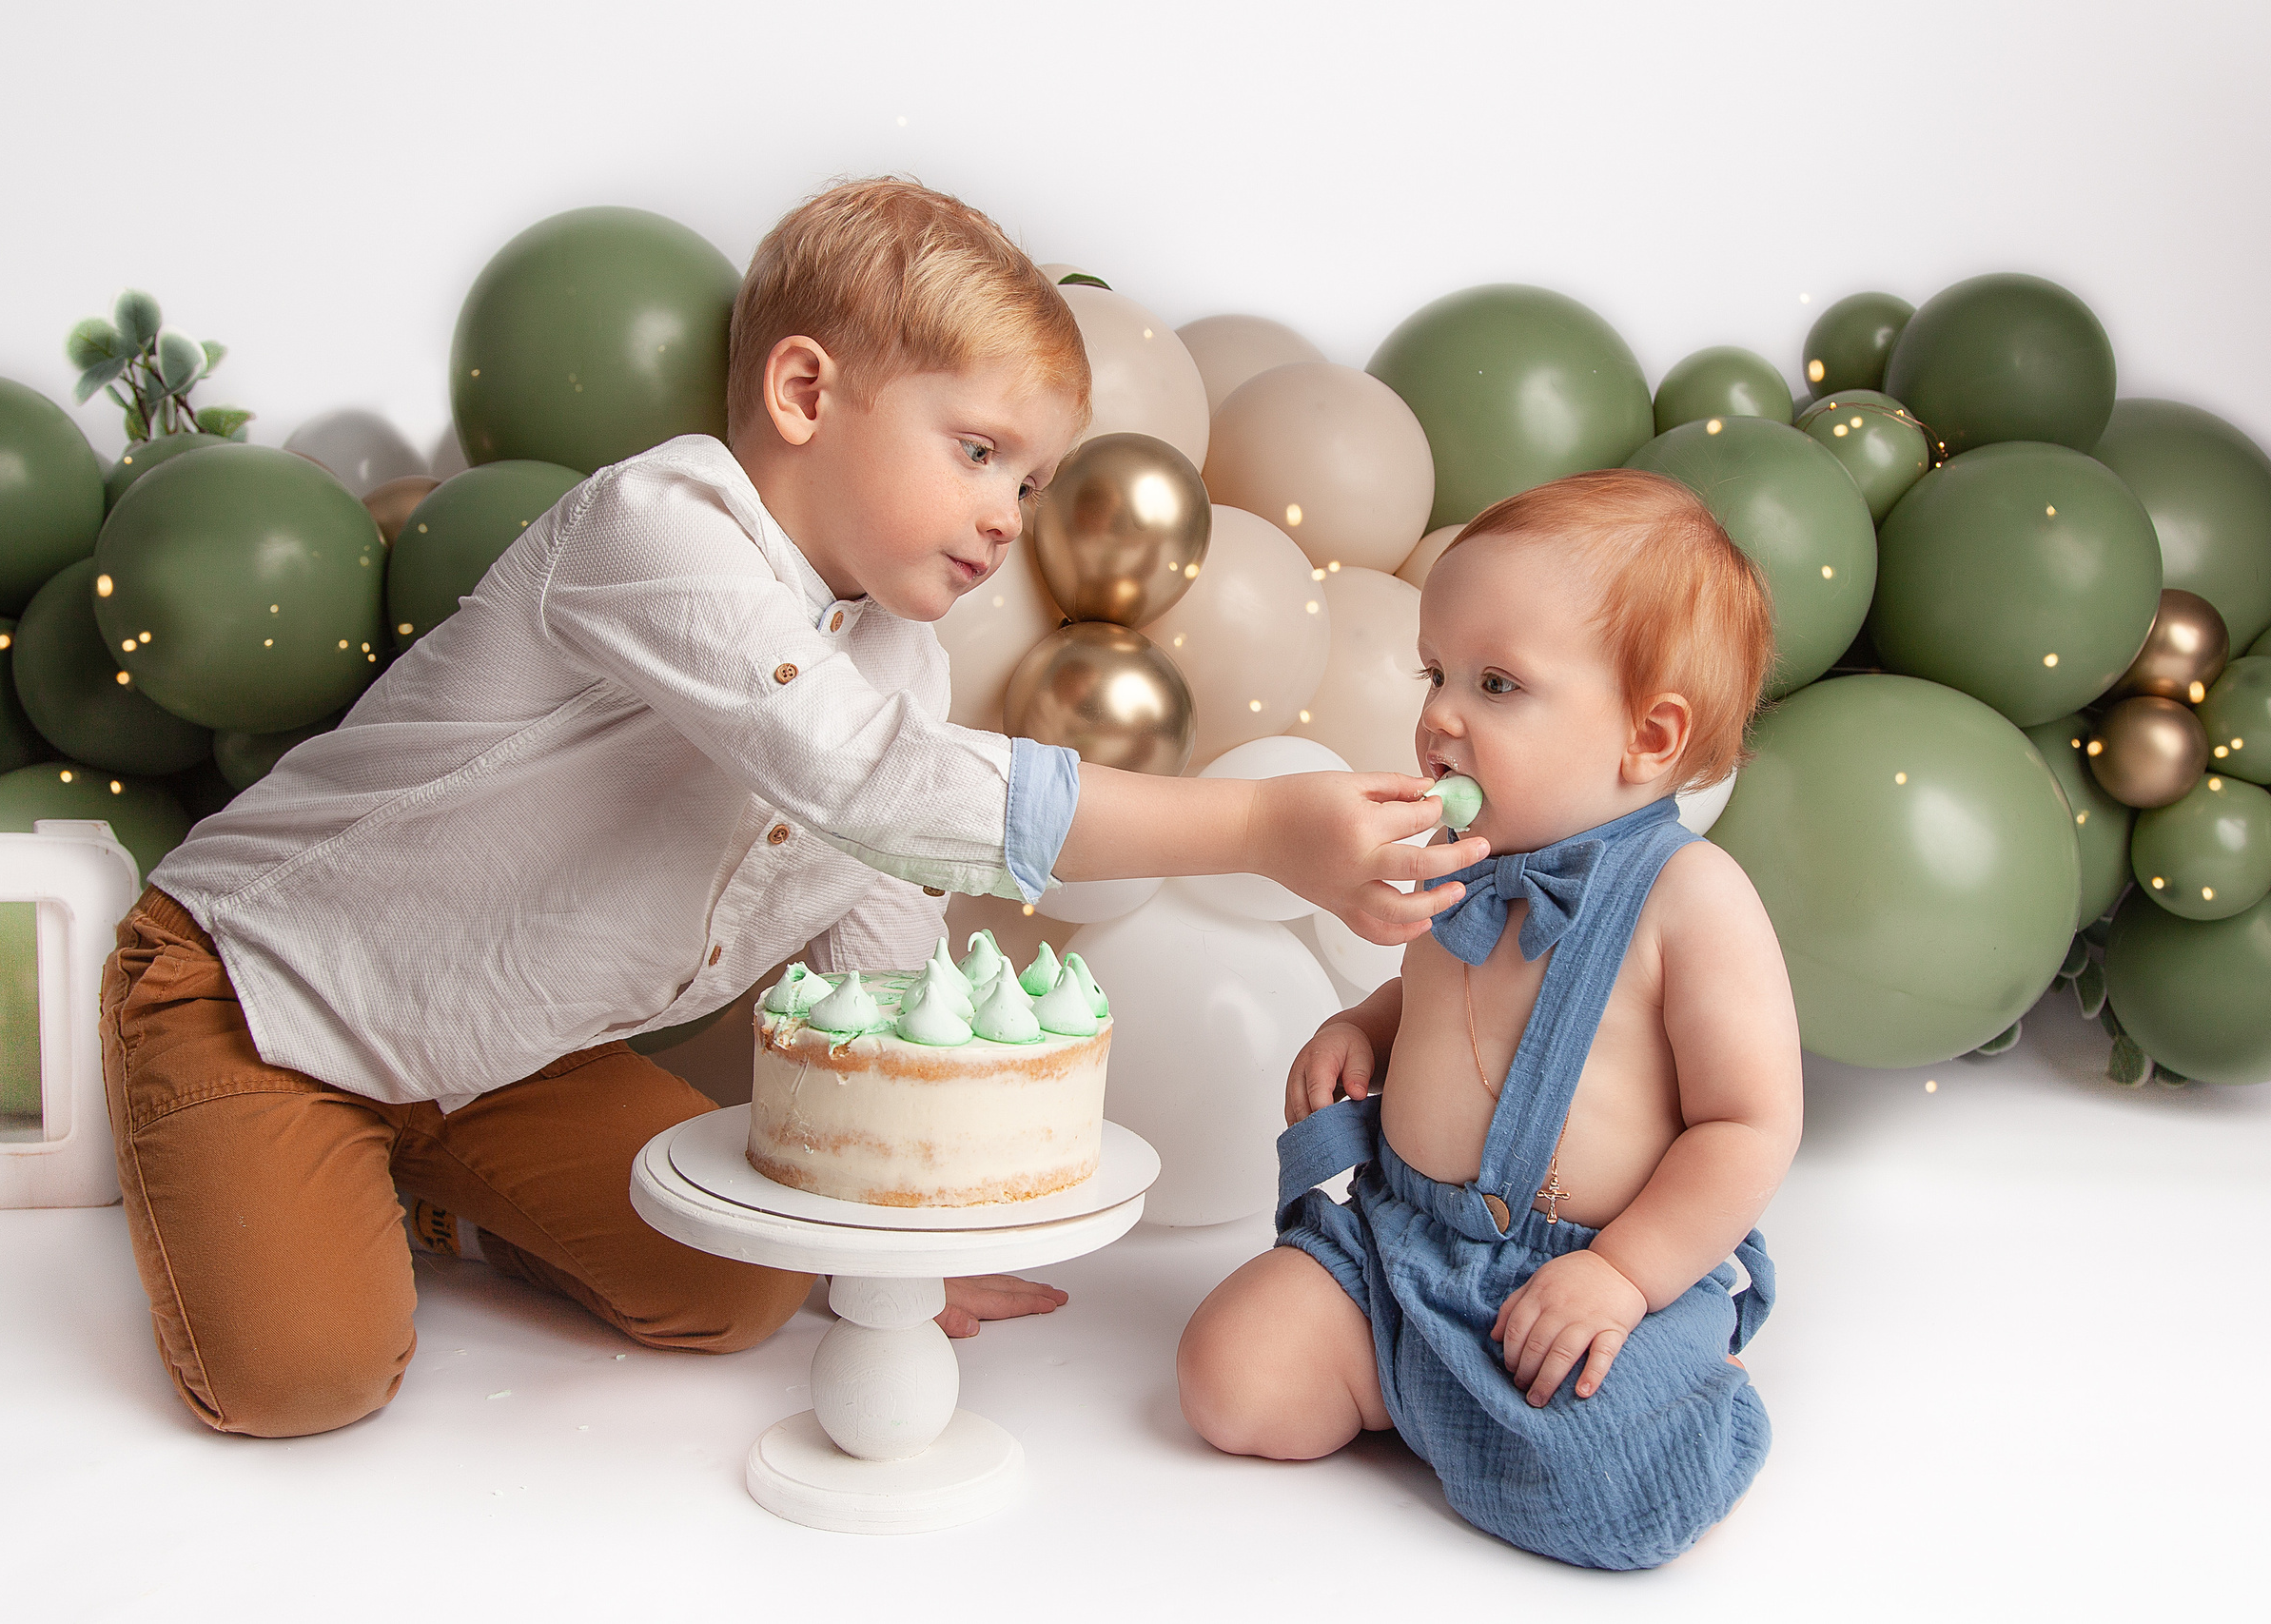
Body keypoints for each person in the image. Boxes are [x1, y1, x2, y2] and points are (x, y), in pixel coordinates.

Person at [101, 177, 1482, 1438]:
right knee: (304, 1376)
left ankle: (432, 1186)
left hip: (504, 1039)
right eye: (980, 448)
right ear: (808, 392)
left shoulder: (899, 661)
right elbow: (864, 778)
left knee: (747, 1285)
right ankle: (276, 1151)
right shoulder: (659, 524)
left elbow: (876, 924)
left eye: (1035, 479)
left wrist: (897, 1237)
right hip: (270, 986)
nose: (1009, 513)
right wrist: (1250, 827)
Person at [1174, 469, 1803, 1570]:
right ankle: (1408, 1384)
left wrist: (1626, 1275)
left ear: (1649, 738)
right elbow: (1429, 989)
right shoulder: (1463, 862)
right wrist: (1363, 1028)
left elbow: (1747, 1128)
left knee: (1618, 1502)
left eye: (1498, 684)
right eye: (1437, 673)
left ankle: (1682, 1375)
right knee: (1227, 1377)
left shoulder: (1692, 900)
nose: (1438, 718)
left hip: (1579, 1271)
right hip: (1398, 1238)